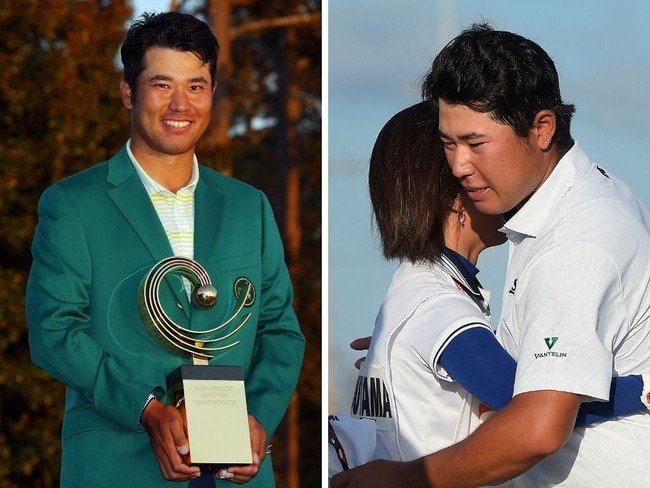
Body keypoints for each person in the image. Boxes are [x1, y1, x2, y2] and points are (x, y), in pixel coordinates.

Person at [331, 23, 650, 488]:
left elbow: (535, 423)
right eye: (447, 145)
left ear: (542, 129)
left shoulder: (575, 240)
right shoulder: (582, 203)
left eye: (475, 144)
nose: (460, 167)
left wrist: (398, 479)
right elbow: (521, 395)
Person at [26, 11, 305, 488]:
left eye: (196, 86)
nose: (181, 103)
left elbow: (280, 331)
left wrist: (257, 417)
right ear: (128, 92)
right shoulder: (72, 204)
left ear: (213, 92)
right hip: (119, 466)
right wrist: (147, 409)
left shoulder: (248, 207)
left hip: (238, 474)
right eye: (162, 85)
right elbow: (54, 331)